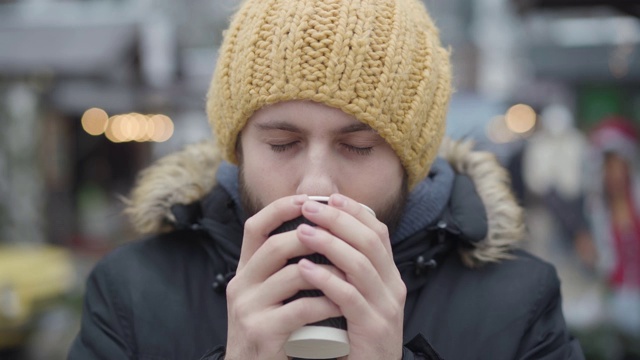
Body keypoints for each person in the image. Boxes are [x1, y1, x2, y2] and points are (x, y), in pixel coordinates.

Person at [68, 0, 584, 359]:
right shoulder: (131, 291)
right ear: (238, 146)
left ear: (413, 159)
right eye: (282, 144)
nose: (315, 185)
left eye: (357, 147)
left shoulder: (519, 302)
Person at [585, 116, 640, 356]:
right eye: (610, 166)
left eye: (621, 165)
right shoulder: (594, 210)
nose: (616, 174)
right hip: (613, 303)